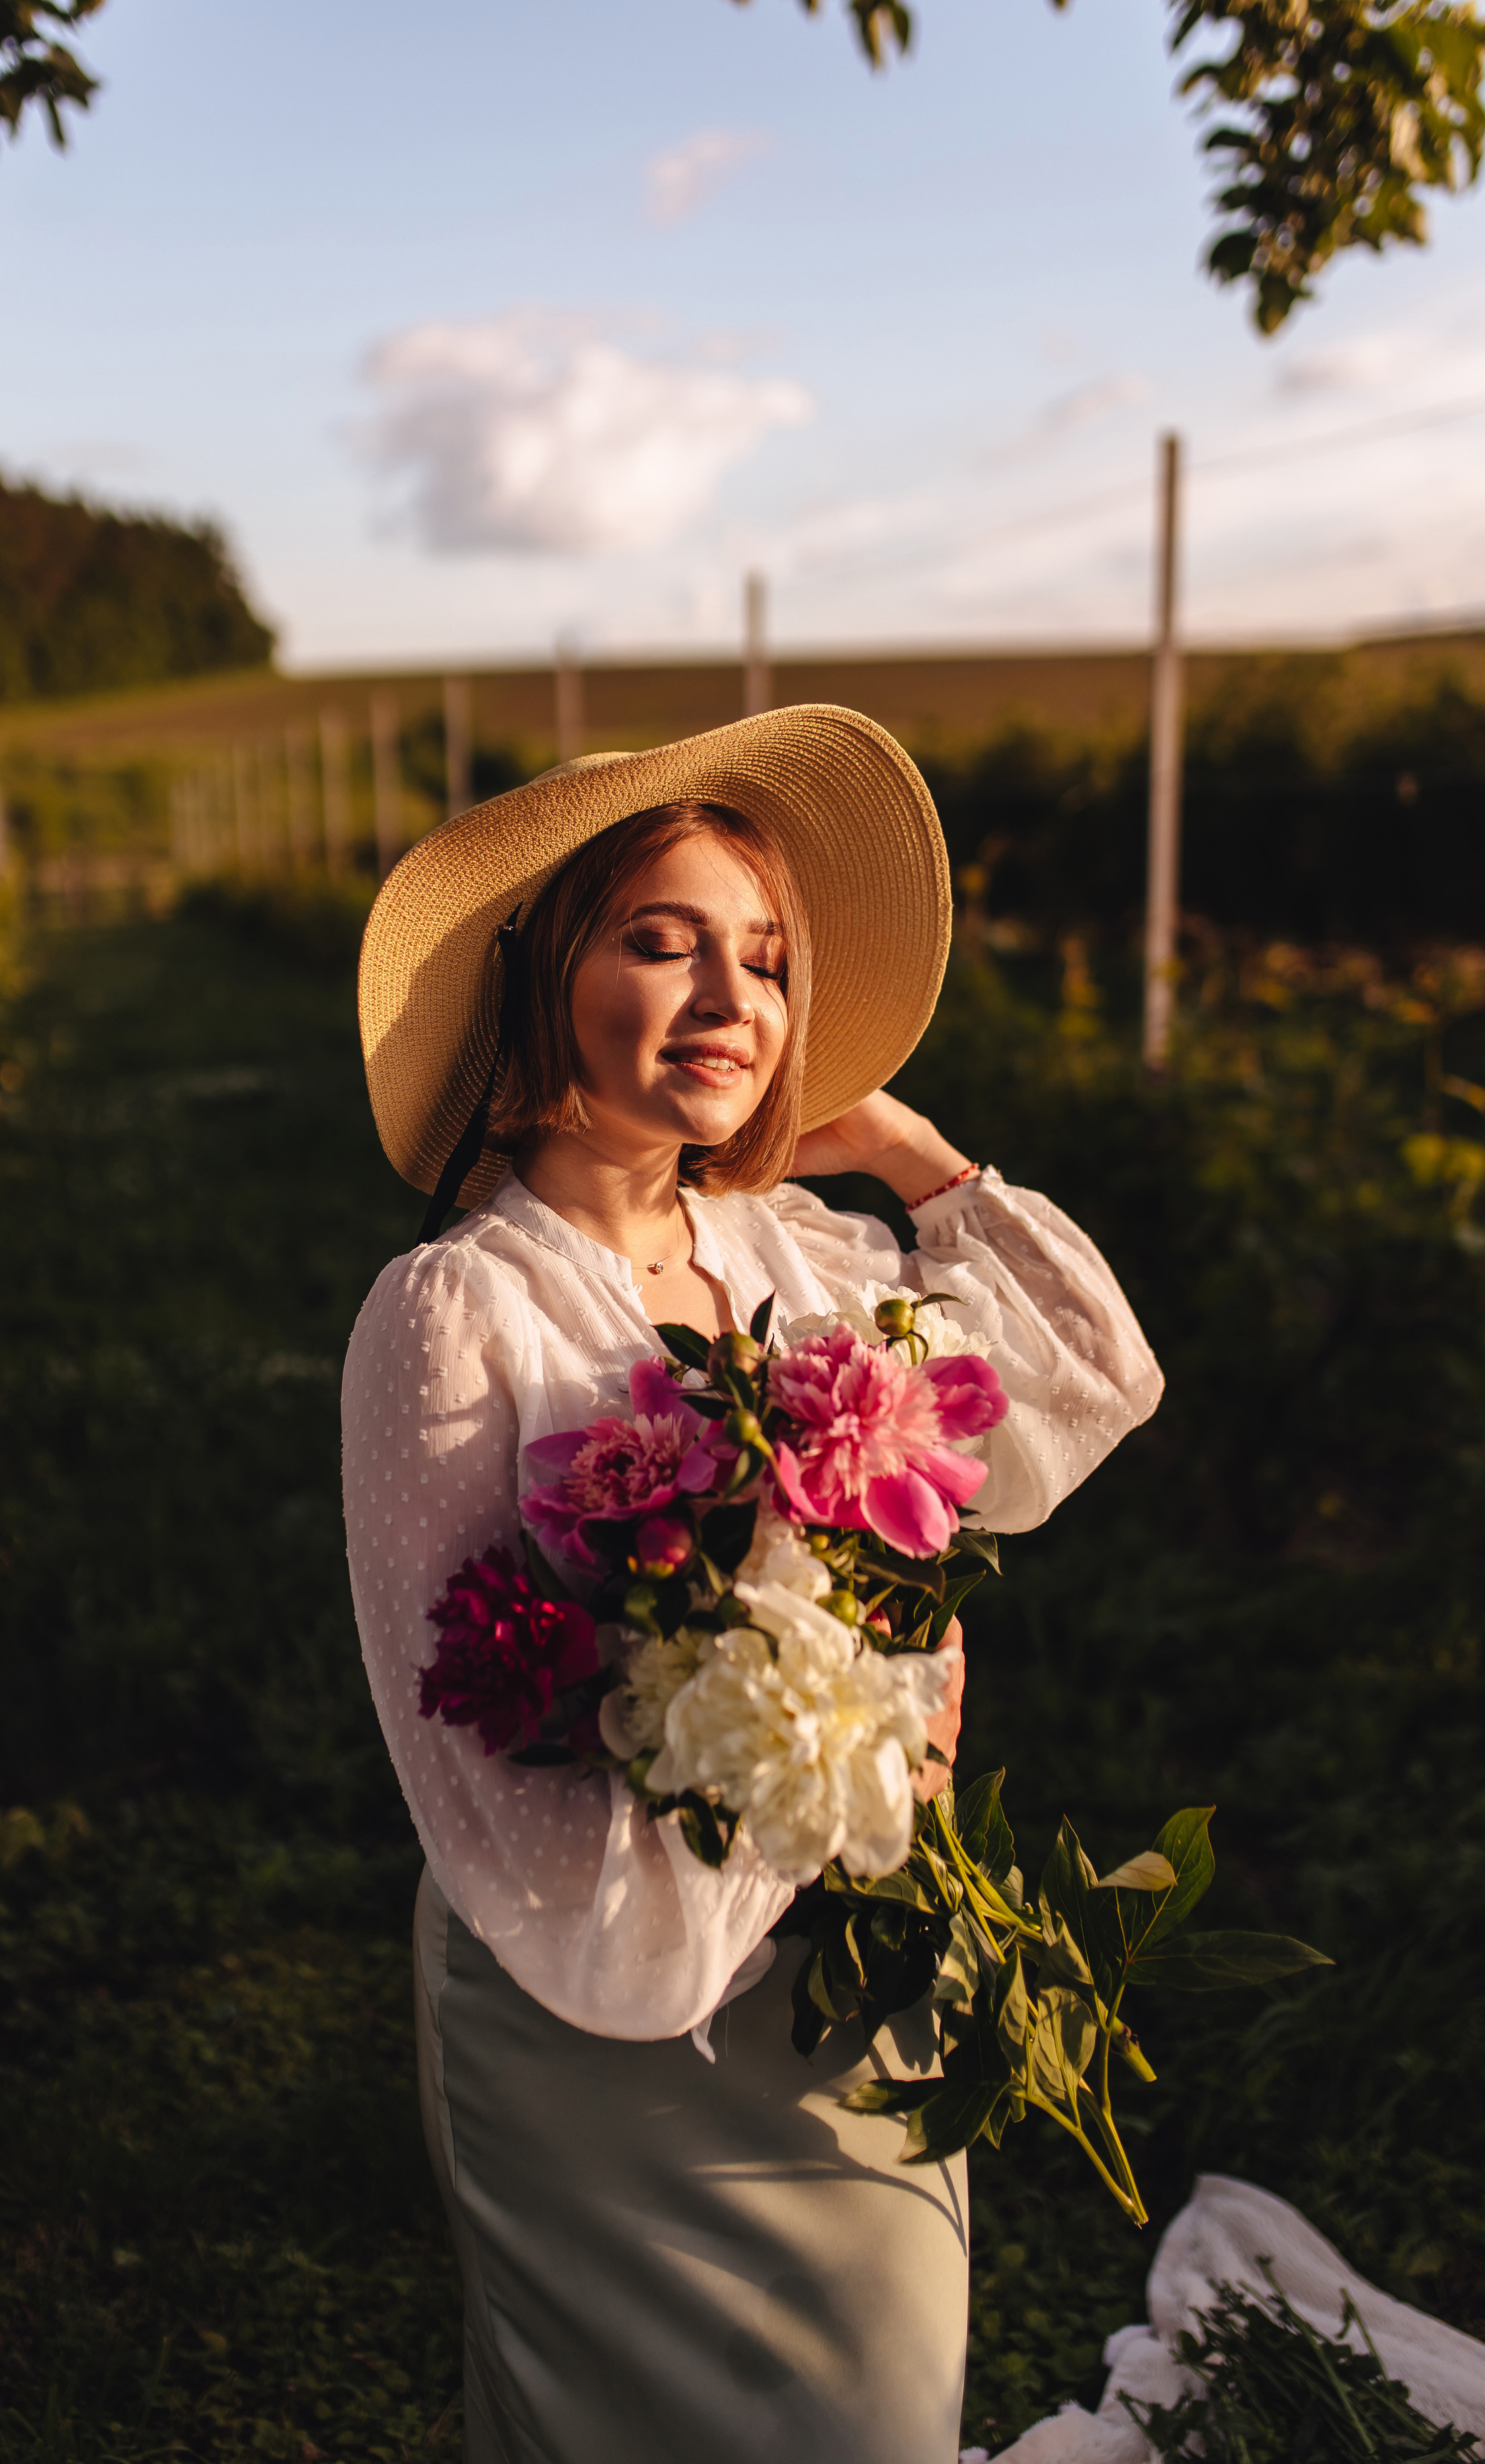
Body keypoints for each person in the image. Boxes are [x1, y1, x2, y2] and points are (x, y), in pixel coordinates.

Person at [342, 706, 1162, 2464]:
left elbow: (1089, 1378)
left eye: (767, 962)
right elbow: (472, 1738)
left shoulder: (800, 1250)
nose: (729, 1000)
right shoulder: (461, 1310)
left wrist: (901, 1146)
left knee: (878, 2409)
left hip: (859, 1971)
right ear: (552, 967)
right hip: (591, 1987)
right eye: (663, 943)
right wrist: (828, 1755)